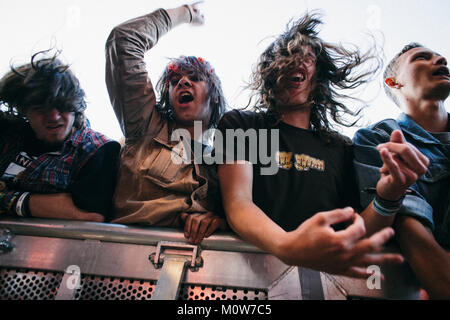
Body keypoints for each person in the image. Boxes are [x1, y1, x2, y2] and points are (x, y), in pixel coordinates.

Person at [216, 13, 428, 278]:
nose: (294, 61)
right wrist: (288, 246)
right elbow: (238, 202)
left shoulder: (341, 148)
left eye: (306, 57)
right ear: (270, 73)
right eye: (285, 56)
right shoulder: (240, 124)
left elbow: (358, 227)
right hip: (248, 281)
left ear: (318, 78)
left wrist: (389, 196)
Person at [105, 3, 227, 244]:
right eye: (175, 80)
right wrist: (186, 13)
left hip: (200, 269)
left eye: (195, 78)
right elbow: (124, 40)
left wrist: (223, 222)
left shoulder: (231, 153)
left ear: (214, 95)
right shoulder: (146, 127)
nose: (183, 82)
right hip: (127, 257)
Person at [353, 43, 450, 298]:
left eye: (440, 57)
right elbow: (408, 228)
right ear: (394, 82)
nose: (440, 59)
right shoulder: (379, 137)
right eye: (422, 58)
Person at [0, 51, 120, 222]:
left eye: (61, 106)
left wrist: (7, 200)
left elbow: (91, 215)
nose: (54, 116)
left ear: (74, 105)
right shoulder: (9, 132)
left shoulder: (96, 149)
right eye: (40, 107)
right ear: (23, 108)